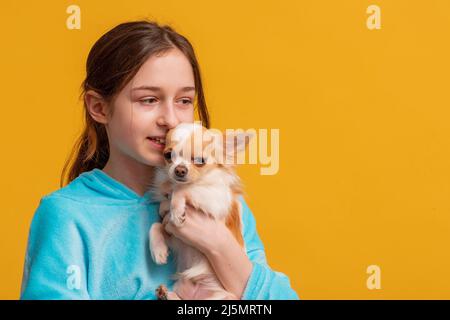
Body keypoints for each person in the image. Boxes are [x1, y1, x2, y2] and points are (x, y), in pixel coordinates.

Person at [20, 20, 299, 300]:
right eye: (148, 100)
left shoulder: (224, 203)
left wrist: (219, 244)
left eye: (185, 101)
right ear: (99, 107)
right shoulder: (69, 215)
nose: (171, 119)